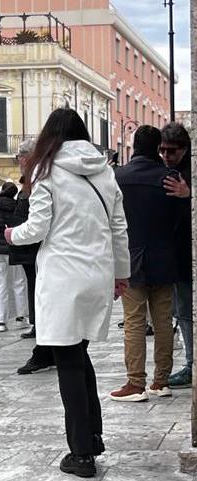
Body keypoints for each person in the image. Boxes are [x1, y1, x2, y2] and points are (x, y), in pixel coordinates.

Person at [5, 108, 129, 478]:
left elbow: (38, 226)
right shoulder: (104, 170)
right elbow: (119, 227)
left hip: (62, 276)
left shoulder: (47, 170)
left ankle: (81, 454)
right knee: (78, 354)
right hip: (98, 273)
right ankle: (92, 437)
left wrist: (13, 235)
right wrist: (121, 274)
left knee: (68, 362)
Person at [108, 126, 180, 403]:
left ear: (134, 146)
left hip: (131, 258)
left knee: (134, 322)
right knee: (163, 321)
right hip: (164, 257)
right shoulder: (170, 178)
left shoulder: (118, 177)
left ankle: (135, 383)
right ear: (157, 147)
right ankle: (161, 381)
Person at [11, 139, 57, 375]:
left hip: (35, 248)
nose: (19, 161)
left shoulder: (39, 178)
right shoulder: (37, 177)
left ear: (26, 157)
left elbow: (36, 221)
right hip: (31, 249)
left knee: (40, 295)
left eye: (20, 156)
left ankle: (45, 349)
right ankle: (42, 340)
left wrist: (14, 234)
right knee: (35, 293)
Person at [160, 122, 193, 389]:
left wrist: (188, 195)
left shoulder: (187, 174)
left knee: (184, 310)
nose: (166, 156)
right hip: (177, 255)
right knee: (180, 310)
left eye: (171, 151)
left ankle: (192, 365)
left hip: (186, 255)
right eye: (162, 150)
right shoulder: (168, 171)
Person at [0, 181, 29, 333]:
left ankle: (0, 321)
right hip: (15, 249)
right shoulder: (18, 207)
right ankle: (21, 317)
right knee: (19, 283)